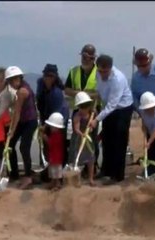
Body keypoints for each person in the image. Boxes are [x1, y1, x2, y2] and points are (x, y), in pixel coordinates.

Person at [89, 54, 134, 184]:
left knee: (119, 141)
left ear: (110, 68)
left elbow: (112, 104)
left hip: (122, 109)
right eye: (100, 71)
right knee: (107, 139)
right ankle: (105, 170)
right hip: (107, 108)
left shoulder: (117, 79)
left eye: (105, 71)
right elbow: (99, 92)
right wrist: (95, 107)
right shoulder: (97, 74)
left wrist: (96, 120)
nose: (102, 74)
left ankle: (117, 175)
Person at [64, 44, 101, 175]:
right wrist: (78, 94)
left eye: (88, 58)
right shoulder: (74, 71)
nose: (85, 60)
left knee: (91, 139)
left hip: (93, 111)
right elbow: (67, 89)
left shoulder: (99, 72)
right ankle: (76, 165)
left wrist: (87, 96)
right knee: (76, 138)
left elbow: (102, 92)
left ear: (93, 59)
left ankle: (92, 168)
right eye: (83, 57)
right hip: (77, 110)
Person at [5, 66, 38, 189]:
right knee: (10, 145)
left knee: (24, 147)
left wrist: (12, 131)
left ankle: (28, 176)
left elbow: (17, 112)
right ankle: (14, 173)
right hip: (24, 121)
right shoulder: (22, 87)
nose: (11, 84)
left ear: (17, 79)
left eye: (12, 80)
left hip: (29, 121)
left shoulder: (22, 91)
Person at [36, 64, 69, 170]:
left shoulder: (57, 93)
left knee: (57, 145)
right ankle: (46, 168)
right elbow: (39, 102)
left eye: (51, 76)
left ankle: (59, 172)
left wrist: (45, 126)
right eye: (46, 75)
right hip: (45, 115)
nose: (47, 78)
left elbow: (56, 113)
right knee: (45, 145)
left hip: (58, 119)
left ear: (55, 77)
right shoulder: (40, 84)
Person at [69, 91, 98, 186]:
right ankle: (78, 179)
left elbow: (95, 123)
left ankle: (91, 178)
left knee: (90, 159)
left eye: (86, 106)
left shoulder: (92, 113)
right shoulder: (77, 116)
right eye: (82, 107)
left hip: (88, 140)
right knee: (77, 159)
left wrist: (91, 127)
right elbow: (76, 129)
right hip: (79, 140)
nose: (85, 109)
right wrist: (82, 134)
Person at [41, 112, 66, 191]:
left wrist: (45, 138)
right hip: (53, 156)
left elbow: (51, 144)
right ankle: (53, 182)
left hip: (56, 157)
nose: (51, 128)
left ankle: (57, 184)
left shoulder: (57, 135)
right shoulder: (54, 134)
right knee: (52, 171)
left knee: (56, 172)